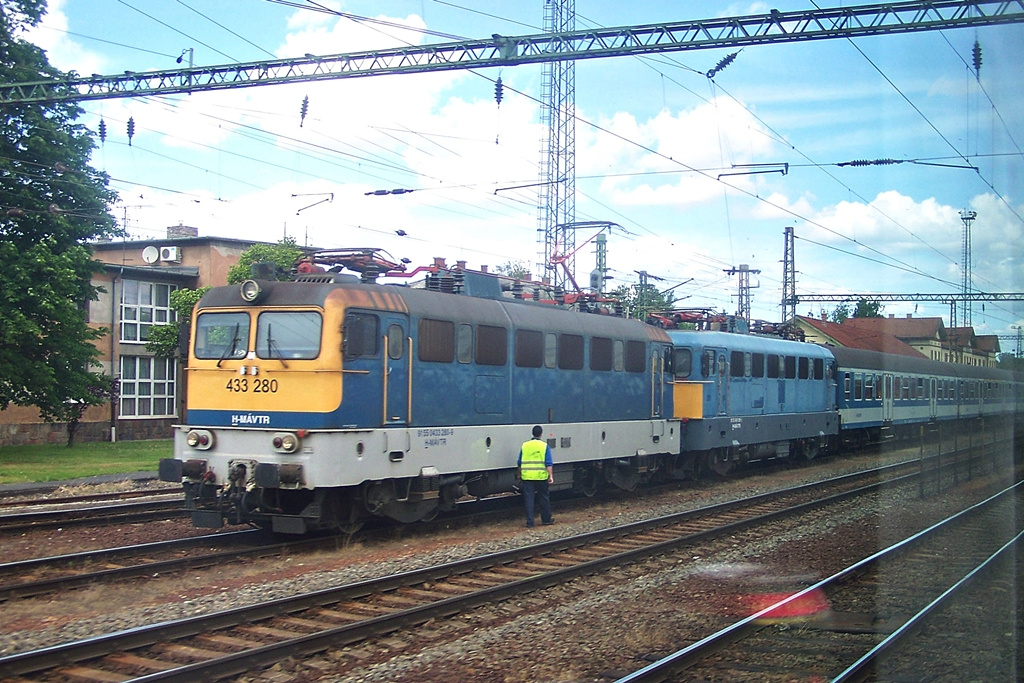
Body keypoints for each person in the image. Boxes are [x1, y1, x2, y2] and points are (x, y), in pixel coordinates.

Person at [518, 425, 554, 528]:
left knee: (529, 499)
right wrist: (550, 476)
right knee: (544, 498)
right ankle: (546, 519)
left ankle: (530, 522)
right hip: (541, 477)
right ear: (541, 434)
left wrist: (519, 475)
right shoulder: (544, 446)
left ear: (532, 433)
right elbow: (548, 463)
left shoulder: (525, 445)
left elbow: (519, 462)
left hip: (527, 477)